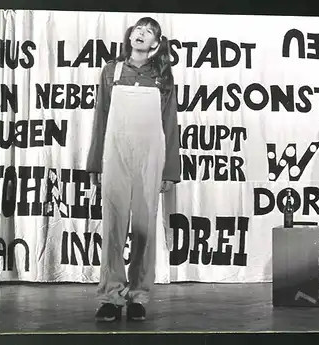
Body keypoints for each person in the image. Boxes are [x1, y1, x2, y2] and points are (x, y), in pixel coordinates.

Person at [86, 17, 181, 322]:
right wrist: (94, 162)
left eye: (149, 31)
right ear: (130, 35)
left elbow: (170, 124)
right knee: (114, 226)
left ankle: (138, 295)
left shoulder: (162, 77)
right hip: (116, 155)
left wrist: (169, 171)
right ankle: (111, 297)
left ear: (155, 43)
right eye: (139, 28)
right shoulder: (111, 71)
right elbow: (100, 117)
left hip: (149, 157)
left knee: (143, 228)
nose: (141, 33)